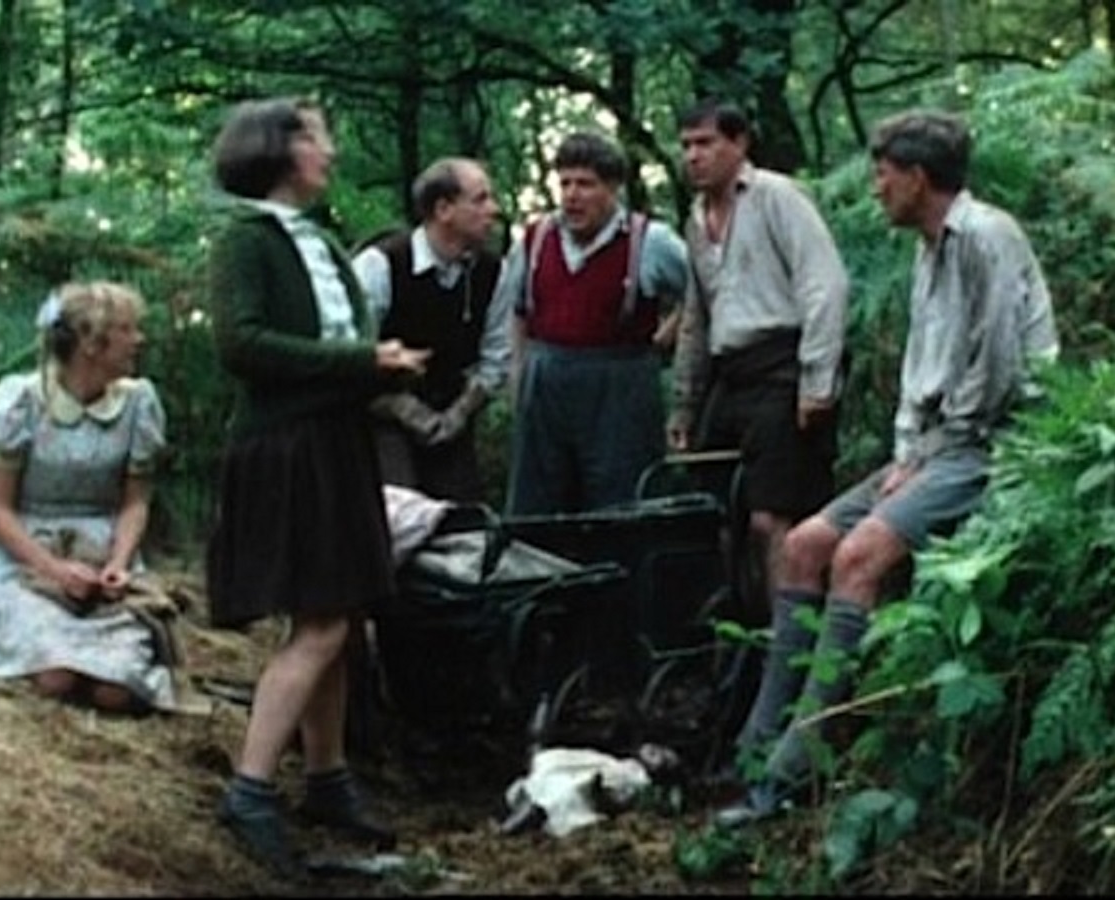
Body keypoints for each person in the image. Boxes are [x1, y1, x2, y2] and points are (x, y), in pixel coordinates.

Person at [713, 108, 1059, 828]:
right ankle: (756, 741)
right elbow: (918, 374)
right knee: (806, 544)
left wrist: (925, 455)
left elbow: (994, 374)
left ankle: (794, 767)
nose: (876, 188)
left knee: (860, 555)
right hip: (932, 447)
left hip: (994, 446)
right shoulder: (929, 248)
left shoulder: (986, 238)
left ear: (918, 177)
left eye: (884, 174)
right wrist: (907, 452)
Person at [203, 96, 430, 877]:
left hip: (337, 444)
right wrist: (366, 364)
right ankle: (252, 787)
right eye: (319, 139)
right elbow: (243, 345)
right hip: (285, 447)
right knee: (322, 626)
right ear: (281, 149)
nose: (329, 153)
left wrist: (377, 362)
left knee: (342, 616)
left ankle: (328, 779)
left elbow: (341, 342)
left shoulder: (324, 244)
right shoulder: (245, 240)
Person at [0, 280, 188, 715]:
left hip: (104, 557)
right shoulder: (21, 402)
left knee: (115, 691)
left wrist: (117, 564)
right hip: (26, 564)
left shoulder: (137, 404)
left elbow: (135, 501)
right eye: (127, 329)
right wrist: (54, 569)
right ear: (91, 343)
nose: (139, 339)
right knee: (56, 679)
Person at [668, 98, 850, 614]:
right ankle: (742, 635)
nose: (693, 156)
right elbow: (697, 318)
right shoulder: (696, 220)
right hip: (732, 374)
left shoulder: (777, 197)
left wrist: (817, 381)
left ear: (739, 143)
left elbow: (825, 285)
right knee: (716, 510)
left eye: (705, 143)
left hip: (784, 367)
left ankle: (788, 648)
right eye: (686, 146)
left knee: (776, 517)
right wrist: (685, 405)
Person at [500, 130, 689, 515]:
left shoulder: (649, 241)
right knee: (538, 505)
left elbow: (703, 295)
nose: (571, 194)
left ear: (613, 188)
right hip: (546, 381)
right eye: (565, 183)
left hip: (621, 385)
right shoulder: (535, 240)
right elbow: (516, 312)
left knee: (620, 503)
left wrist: (665, 337)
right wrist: (519, 382)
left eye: (585, 184)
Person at [353, 157, 510, 502]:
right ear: (444, 209)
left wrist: (459, 414)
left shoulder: (494, 272)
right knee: (398, 518)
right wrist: (402, 408)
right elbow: (345, 353)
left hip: (452, 420)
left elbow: (497, 357)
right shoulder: (380, 265)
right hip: (380, 421)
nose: (493, 210)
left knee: (462, 525)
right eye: (480, 199)